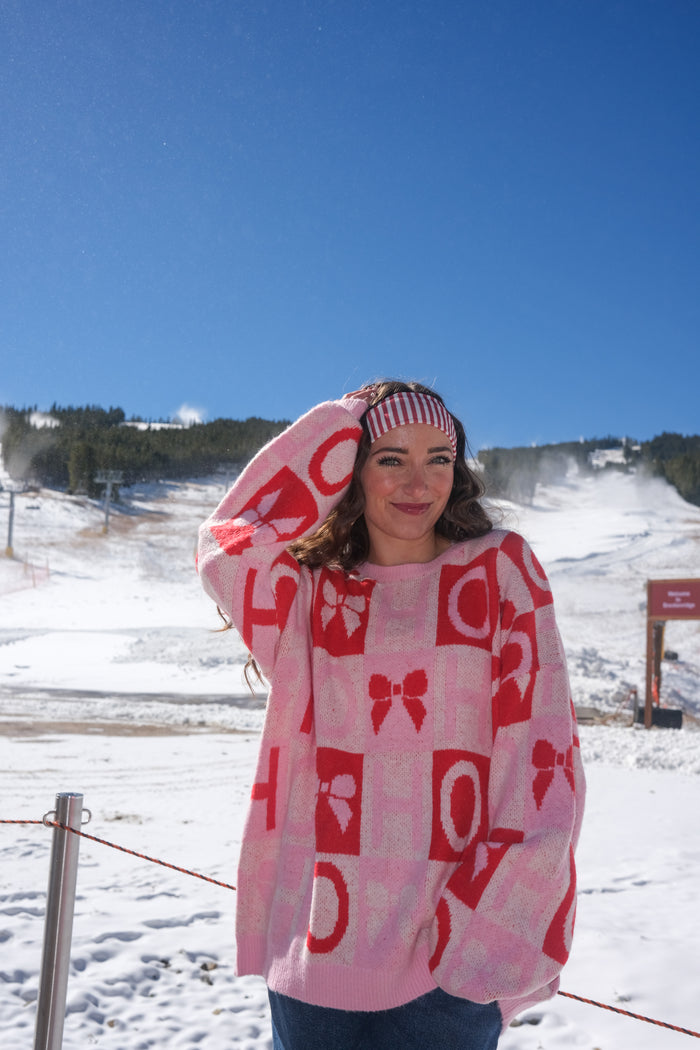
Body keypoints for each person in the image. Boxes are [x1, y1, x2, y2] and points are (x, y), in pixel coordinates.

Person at [197, 380, 585, 1050]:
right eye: (389, 457)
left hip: (447, 964)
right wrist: (345, 419)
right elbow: (227, 546)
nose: (418, 481)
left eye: (439, 457)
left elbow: (542, 754)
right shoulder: (316, 596)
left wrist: (487, 926)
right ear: (352, 468)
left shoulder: (498, 569)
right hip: (315, 954)